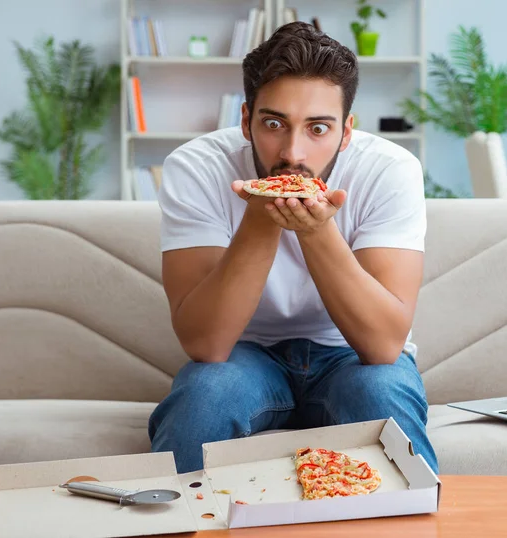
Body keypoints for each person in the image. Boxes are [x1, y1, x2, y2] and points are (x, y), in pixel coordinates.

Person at [148, 21, 438, 475]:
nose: (293, 152)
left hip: (351, 355)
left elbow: (383, 345)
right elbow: (205, 343)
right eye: (273, 123)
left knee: (382, 392)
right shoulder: (196, 167)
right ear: (245, 121)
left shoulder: (391, 170)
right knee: (203, 395)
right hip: (245, 354)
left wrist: (318, 231)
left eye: (318, 128)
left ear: (346, 132)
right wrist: (262, 216)